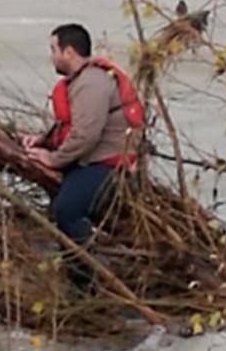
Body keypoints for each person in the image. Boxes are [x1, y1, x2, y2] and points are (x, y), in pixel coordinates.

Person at [23, 23, 144, 255]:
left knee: (67, 211)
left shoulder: (91, 84)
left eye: (53, 50)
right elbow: (72, 125)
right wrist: (42, 140)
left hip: (106, 162)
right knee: (61, 206)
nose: (51, 57)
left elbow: (86, 135)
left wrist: (53, 159)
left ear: (68, 52)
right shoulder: (82, 80)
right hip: (91, 157)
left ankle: (85, 277)